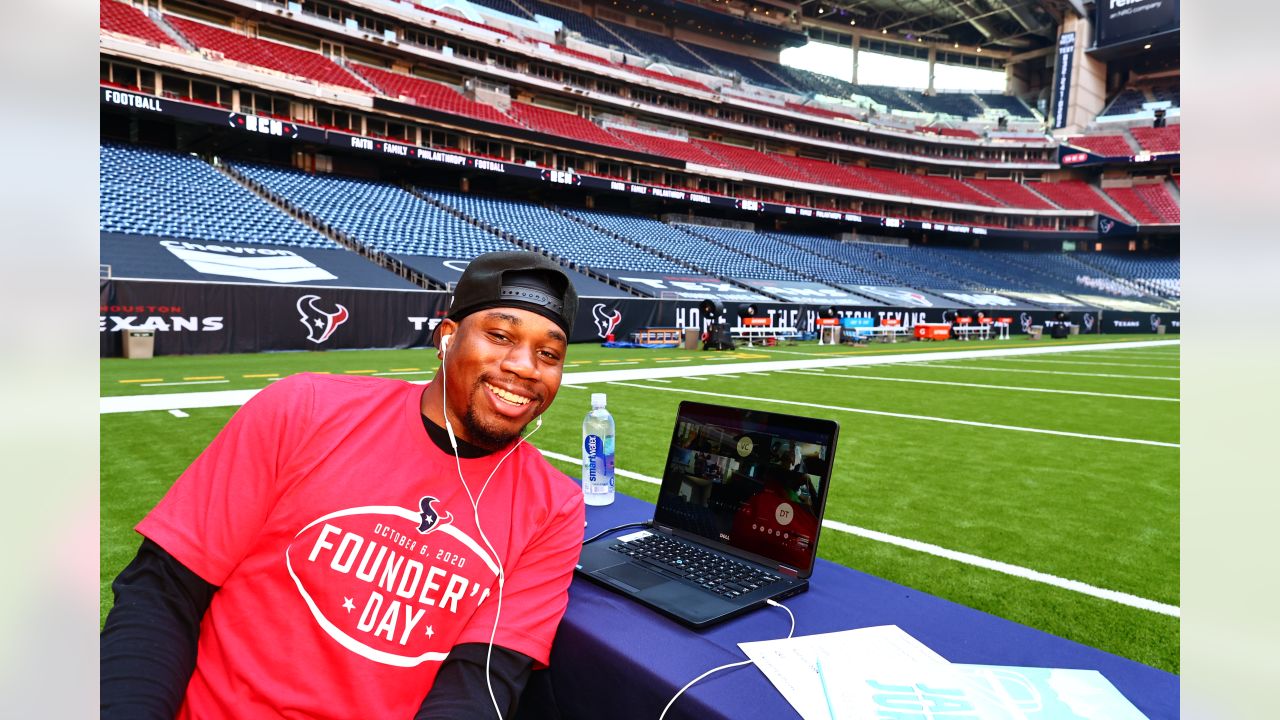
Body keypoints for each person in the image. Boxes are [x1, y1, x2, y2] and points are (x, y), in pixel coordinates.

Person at [100, 251, 585, 719]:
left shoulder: (555, 506)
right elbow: (162, 594)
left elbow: (481, 679)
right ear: (447, 337)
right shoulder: (303, 409)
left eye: (549, 353)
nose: (524, 367)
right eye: (500, 335)